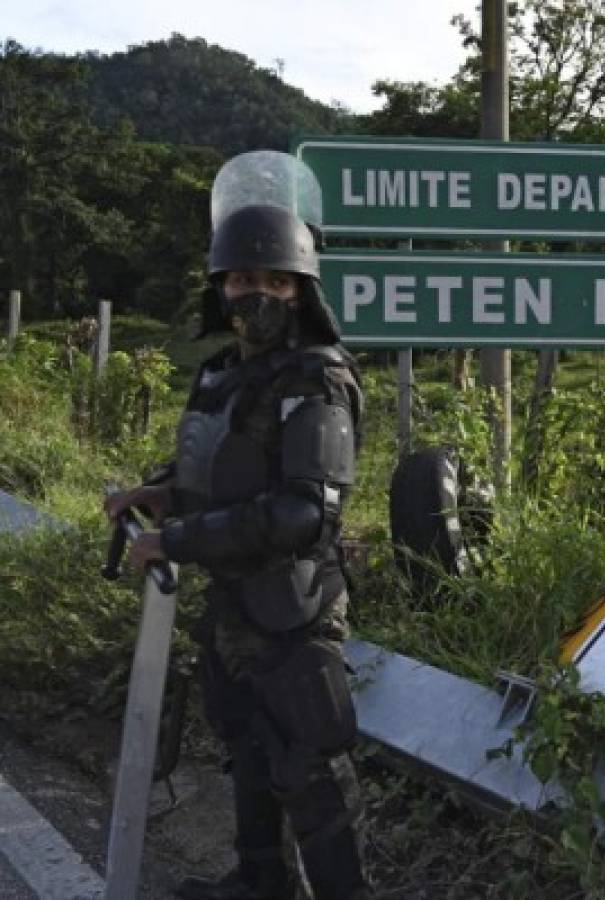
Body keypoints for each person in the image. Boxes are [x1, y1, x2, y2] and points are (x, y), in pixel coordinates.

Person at [105, 200, 370, 900]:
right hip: (232, 602)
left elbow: (304, 511)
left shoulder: (316, 379)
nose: (256, 296)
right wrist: (160, 493)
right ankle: (260, 884)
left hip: (293, 605)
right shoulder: (225, 372)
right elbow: (219, 468)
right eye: (241, 279)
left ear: (301, 290)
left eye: (275, 282)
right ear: (219, 287)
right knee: (248, 750)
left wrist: (179, 539)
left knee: (309, 770)